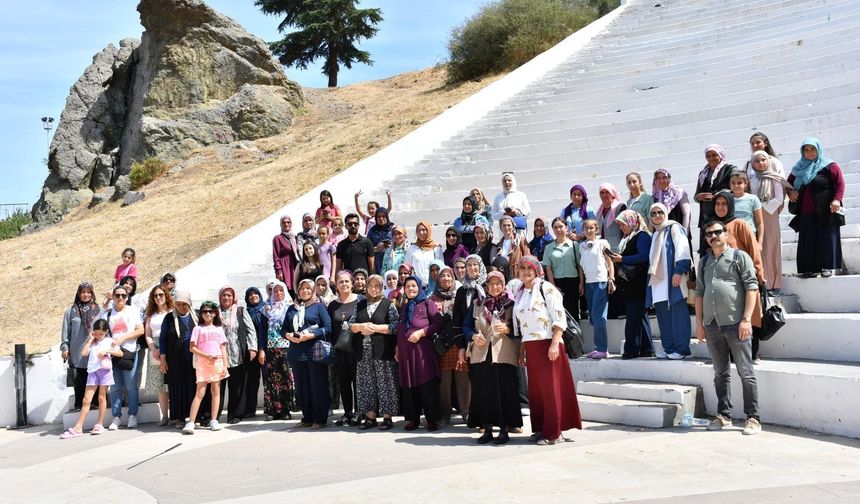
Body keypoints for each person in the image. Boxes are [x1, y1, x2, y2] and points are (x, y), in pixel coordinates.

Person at [695, 220, 761, 435]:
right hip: (712, 324)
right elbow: (699, 293)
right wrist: (700, 324)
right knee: (720, 373)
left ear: (725, 233)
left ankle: (753, 418)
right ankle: (724, 415)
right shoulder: (704, 262)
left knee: (746, 371)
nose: (713, 236)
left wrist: (746, 319)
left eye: (717, 232)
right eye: (709, 234)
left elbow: (752, 287)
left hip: (736, 322)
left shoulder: (739, 256)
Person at [513, 256, 582, 445]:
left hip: (548, 344)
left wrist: (554, 344)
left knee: (551, 390)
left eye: (530, 268)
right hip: (531, 347)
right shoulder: (520, 293)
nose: (526, 271)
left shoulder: (547, 289)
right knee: (537, 392)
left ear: (537, 270)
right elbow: (524, 326)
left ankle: (554, 432)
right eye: (522, 267)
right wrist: (522, 350)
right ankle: (542, 428)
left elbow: (559, 318)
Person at [464, 270, 522, 444]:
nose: (494, 287)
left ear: (503, 285)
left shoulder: (512, 304)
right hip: (481, 354)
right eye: (491, 284)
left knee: (504, 391)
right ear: (486, 286)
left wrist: (508, 329)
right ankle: (487, 428)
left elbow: (520, 330)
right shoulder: (477, 303)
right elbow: (466, 326)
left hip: (503, 354)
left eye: (498, 283)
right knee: (483, 392)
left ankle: (504, 429)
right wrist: (473, 336)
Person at [712, 191, 766, 362]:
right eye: (717, 204)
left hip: (744, 279)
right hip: (725, 282)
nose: (720, 207)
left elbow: (753, 250)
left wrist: (759, 274)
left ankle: (752, 353)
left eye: (724, 204)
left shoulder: (740, 224)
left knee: (750, 315)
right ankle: (732, 354)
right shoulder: (712, 228)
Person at [787, 137, 845, 278]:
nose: (810, 152)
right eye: (806, 150)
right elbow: (787, 184)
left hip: (826, 208)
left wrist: (837, 199)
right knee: (808, 240)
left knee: (826, 238)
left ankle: (827, 267)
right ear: (802, 152)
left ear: (818, 149)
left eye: (812, 149)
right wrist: (790, 192)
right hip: (806, 211)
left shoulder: (829, 165)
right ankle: (809, 269)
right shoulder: (798, 168)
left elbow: (840, 183)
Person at [350, 274, 400, 430]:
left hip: (382, 350)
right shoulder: (360, 305)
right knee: (366, 384)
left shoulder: (388, 304)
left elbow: (395, 326)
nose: (373, 289)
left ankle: (387, 417)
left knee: (385, 383)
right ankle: (370, 417)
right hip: (363, 352)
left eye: (377, 286)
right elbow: (350, 325)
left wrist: (375, 328)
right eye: (370, 286)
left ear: (382, 287)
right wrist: (361, 326)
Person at [59, 319, 122, 438]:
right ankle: (78, 428)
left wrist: (107, 350)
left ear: (106, 332)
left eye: (101, 334)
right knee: (86, 400)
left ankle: (100, 424)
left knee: (101, 397)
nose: (98, 336)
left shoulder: (109, 341)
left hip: (105, 371)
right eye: (96, 333)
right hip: (92, 372)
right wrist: (90, 339)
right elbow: (83, 353)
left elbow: (120, 353)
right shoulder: (92, 341)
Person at [396, 276, 444, 431]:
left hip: (423, 351)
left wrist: (421, 333)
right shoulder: (404, 307)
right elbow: (400, 328)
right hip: (406, 352)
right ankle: (413, 419)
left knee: (426, 384)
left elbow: (438, 323)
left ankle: (431, 419)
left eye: (413, 286)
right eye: (407, 286)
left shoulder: (427, 303)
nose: (410, 289)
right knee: (410, 385)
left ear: (419, 287)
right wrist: (397, 347)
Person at [646, 203, 692, 359]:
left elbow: (683, 250)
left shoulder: (674, 228)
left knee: (678, 313)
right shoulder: (655, 234)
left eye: (660, 212)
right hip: (658, 281)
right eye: (653, 213)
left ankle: (682, 349)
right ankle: (669, 348)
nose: (657, 216)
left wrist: (679, 271)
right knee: (663, 315)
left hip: (673, 278)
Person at [284, 278, 332, 429]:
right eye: (302, 288)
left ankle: (320, 419)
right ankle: (307, 417)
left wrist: (312, 335)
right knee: (302, 387)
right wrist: (289, 336)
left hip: (315, 352)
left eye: (308, 289)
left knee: (318, 386)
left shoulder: (318, 307)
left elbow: (328, 327)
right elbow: (283, 328)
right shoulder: (292, 308)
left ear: (313, 291)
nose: (305, 291)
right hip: (297, 353)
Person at [608, 210, 654, 359]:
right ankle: (647, 349)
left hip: (638, 284)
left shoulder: (642, 235)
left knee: (633, 318)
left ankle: (631, 350)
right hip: (631, 284)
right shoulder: (628, 238)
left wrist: (622, 259)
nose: (621, 228)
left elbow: (643, 256)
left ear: (632, 222)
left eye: (623, 224)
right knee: (640, 317)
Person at [431, 265, 470, 425]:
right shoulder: (432, 298)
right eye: (442, 276)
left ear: (453, 278)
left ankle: (467, 413)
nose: (445, 278)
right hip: (442, 345)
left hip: (458, 342)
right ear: (438, 279)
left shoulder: (459, 295)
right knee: (444, 383)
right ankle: (444, 414)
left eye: (449, 275)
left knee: (463, 381)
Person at [183, 301, 229, 434]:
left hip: (218, 362)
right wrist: (206, 356)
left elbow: (223, 347)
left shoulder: (219, 329)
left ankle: (214, 420)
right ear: (201, 314)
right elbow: (192, 347)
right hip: (203, 363)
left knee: (216, 390)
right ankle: (191, 422)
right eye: (204, 311)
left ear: (215, 313)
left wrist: (225, 365)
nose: (207, 314)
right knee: (200, 392)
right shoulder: (198, 329)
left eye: (210, 311)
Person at [102, 285, 144, 430]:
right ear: (113, 297)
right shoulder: (107, 315)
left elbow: (141, 330)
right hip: (113, 353)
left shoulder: (133, 311)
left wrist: (123, 338)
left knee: (131, 385)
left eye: (123, 296)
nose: (120, 298)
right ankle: (116, 416)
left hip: (130, 351)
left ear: (127, 297)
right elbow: (102, 334)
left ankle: (132, 415)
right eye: (117, 295)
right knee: (115, 387)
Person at [747, 149, 787, 293]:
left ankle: (774, 283)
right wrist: (756, 208)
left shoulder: (773, 176)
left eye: (763, 160)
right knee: (759, 248)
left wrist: (762, 207)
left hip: (770, 213)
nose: (761, 163)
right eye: (757, 161)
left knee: (772, 247)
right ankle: (762, 281)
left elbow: (779, 198)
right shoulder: (751, 179)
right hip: (755, 215)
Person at [216, 287, 258, 424]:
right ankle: (212, 415)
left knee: (237, 387)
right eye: (224, 295)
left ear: (233, 297)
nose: (226, 298)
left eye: (229, 295)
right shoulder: (214, 312)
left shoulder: (240, 311)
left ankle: (234, 415)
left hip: (237, 354)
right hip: (218, 356)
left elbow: (251, 330)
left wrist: (252, 348)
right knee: (217, 387)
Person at [159, 291, 197, 427]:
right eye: (179, 304)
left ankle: (195, 416)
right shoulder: (169, 318)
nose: (181, 307)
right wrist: (163, 360)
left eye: (184, 304)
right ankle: (180, 418)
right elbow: (163, 340)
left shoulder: (196, 316)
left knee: (193, 386)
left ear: (189, 304)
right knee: (178, 388)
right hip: (175, 360)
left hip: (193, 358)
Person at [327, 271, 360, 426]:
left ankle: (359, 412)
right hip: (339, 350)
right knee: (344, 383)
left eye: (347, 281)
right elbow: (330, 328)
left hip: (357, 349)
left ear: (352, 283)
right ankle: (347, 412)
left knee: (358, 382)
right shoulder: (332, 305)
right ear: (337, 285)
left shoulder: (360, 301)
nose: (344, 284)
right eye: (341, 282)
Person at [61, 282, 100, 411]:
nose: (86, 294)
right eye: (83, 292)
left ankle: (94, 403)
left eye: (88, 292)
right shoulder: (70, 311)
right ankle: (79, 404)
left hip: (94, 350)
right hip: (76, 352)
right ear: (78, 293)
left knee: (95, 377)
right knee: (79, 380)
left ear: (92, 294)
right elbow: (66, 331)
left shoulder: (98, 310)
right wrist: (65, 348)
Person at [579, 220, 615, 359]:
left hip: (601, 282)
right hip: (589, 284)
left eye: (591, 228)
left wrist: (611, 279)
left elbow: (609, 262)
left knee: (599, 316)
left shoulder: (602, 243)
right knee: (593, 317)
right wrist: (582, 283)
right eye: (586, 228)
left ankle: (602, 349)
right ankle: (597, 347)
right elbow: (581, 268)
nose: (588, 231)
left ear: (596, 229)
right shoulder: (581, 246)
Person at [262, 280, 295, 421]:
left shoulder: (291, 307)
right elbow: (262, 331)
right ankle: (275, 409)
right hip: (271, 348)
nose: (278, 293)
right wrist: (261, 349)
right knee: (272, 379)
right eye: (276, 291)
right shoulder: (266, 309)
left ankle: (286, 409)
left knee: (287, 378)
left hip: (287, 347)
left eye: (281, 290)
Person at [695, 144, 736, 253]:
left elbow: (734, 189)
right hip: (705, 216)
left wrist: (717, 195)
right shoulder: (703, 173)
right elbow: (696, 195)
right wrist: (699, 196)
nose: (711, 158)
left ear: (720, 155)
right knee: (706, 248)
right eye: (708, 156)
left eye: (714, 155)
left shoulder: (730, 169)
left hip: (722, 214)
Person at [143, 285, 173, 425]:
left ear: (166, 295)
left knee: (171, 383)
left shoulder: (172, 312)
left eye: (161, 294)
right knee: (160, 386)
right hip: (155, 349)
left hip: (170, 348)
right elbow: (148, 334)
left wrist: (163, 350)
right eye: (155, 295)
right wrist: (153, 348)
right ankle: (164, 416)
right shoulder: (150, 315)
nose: (158, 298)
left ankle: (175, 415)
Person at [543, 217, 583, 320]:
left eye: (561, 226)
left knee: (573, 313)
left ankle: (575, 335)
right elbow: (548, 268)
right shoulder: (548, 248)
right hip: (557, 283)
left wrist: (581, 283)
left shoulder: (575, 245)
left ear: (566, 227)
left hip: (573, 282)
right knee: (559, 313)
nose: (558, 230)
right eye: (555, 227)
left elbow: (579, 266)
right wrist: (553, 286)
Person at [244, 287, 268, 419]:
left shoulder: (266, 309)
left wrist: (262, 349)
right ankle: (249, 409)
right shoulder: (246, 312)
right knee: (251, 381)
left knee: (268, 380)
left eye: (255, 293)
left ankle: (271, 408)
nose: (253, 296)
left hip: (265, 349)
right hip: (251, 351)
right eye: (250, 295)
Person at [729, 171, 764, 248]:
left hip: (749, 234)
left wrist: (759, 243)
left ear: (745, 184)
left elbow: (759, 223)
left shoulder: (753, 199)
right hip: (732, 236)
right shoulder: (727, 199)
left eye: (739, 183)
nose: (736, 185)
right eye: (733, 183)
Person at [652, 169, 692, 234]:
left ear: (669, 179)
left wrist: (684, 233)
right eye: (658, 178)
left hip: (679, 232)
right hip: (663, 234)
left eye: (664, 177)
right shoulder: (655, 197)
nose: (661, 181)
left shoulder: (679, 192)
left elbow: (686, 214)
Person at [404, 221, 443, 285]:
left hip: (433, 286)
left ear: (428, 231)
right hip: (417, 286)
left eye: (424, 230)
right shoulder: (412, 249)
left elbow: (440, 267)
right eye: (418, 230)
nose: (421, 233)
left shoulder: (436, 249)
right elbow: (407, 267)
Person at [272, 215, 301, 294]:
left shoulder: (294, 237)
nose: (286, 224)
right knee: (288, 289)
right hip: (286, 267)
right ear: (281, 224)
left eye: (288, 222)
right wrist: (279, 270)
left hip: (296, 265)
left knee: (298, 287)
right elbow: (276, 256)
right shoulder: (277, 238)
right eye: (284, 222)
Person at [596, 183, 627, 252]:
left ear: (612, 194)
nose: (604, 195)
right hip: (604, 249)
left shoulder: (620, 207)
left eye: (607, 192)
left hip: (618, 248)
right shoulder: (599, 211)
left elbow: (625, 228)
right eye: (602, 192)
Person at [367, 207, 395, 274]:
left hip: (392, 261)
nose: (381, 218)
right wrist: (376, 249)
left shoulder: (393, 228)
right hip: (377, 263)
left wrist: (391, 246)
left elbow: (401, 243)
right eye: (378, 216)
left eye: (383, 216)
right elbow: (367, 249)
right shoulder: (372, 231)